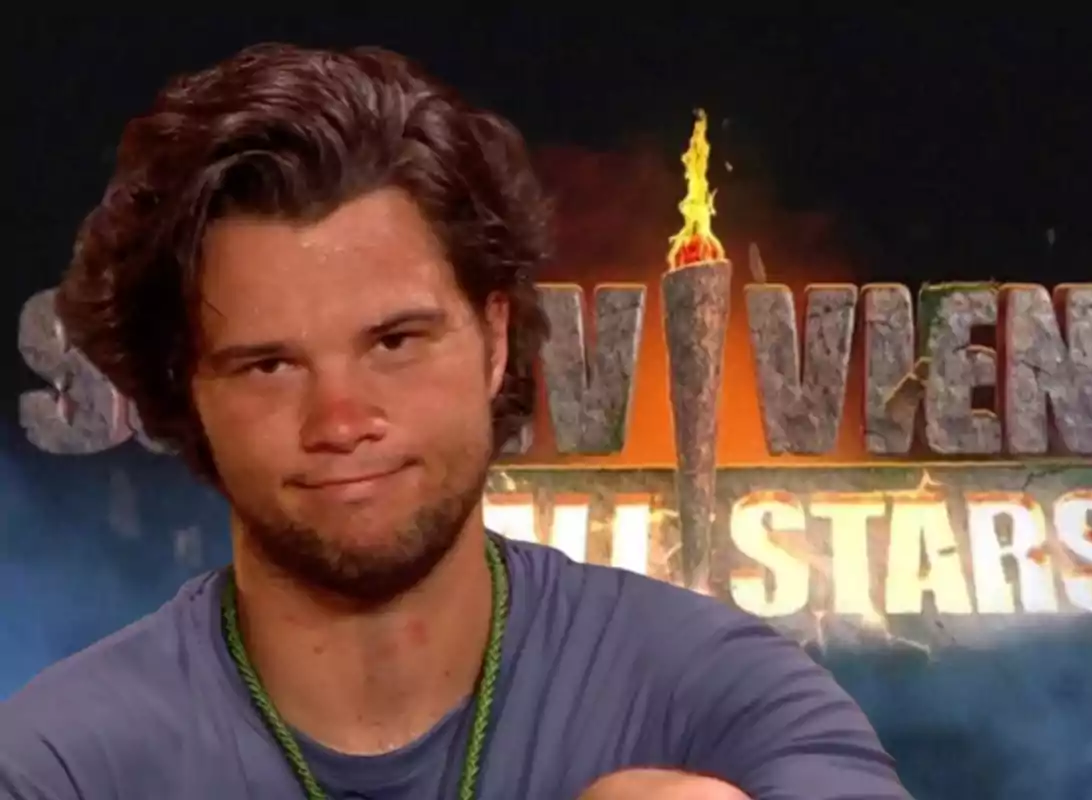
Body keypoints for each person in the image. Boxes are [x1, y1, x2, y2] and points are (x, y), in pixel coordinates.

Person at [0, 43, 910, 800]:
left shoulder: (719, 699)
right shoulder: (64, 766)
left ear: (495, 338)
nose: (343, 419)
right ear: (185, 390)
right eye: (270, 365)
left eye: (396, 341)